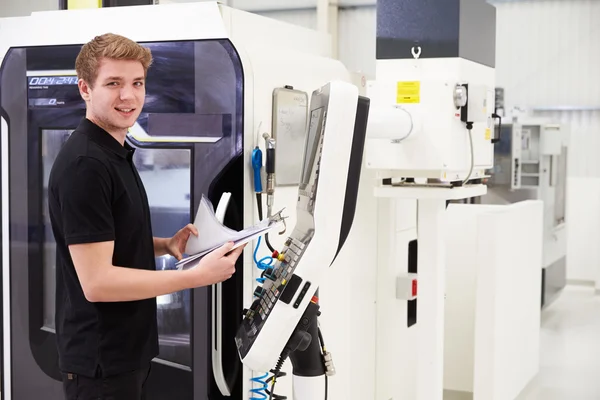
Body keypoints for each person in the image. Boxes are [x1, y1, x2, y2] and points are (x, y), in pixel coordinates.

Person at [48, 33, 245, 400]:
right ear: (85, 89)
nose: (129, 96)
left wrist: (166, 246)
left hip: (124, 354)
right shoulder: (87, 164)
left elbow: (107, 239)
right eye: (113, 84)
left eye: (137, 83)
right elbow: (97, 281)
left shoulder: (114, 150)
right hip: (101, 363)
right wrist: (196, 277)